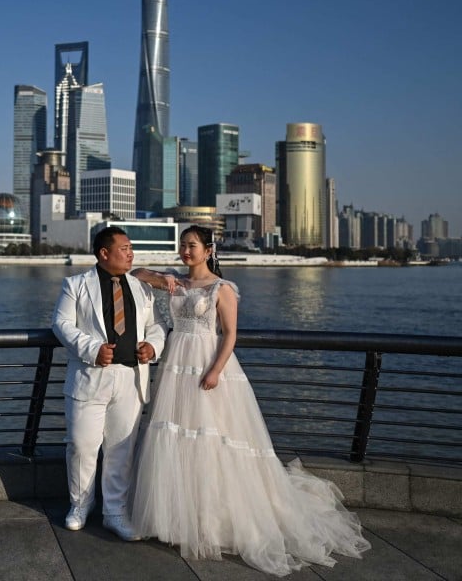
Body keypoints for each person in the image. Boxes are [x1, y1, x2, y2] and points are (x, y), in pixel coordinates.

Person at [130, 225, 371, 576]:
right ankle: (176, 517)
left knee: (211, 438)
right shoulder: (176, 282)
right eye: (183, 245)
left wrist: (215, 370)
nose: (186, 251)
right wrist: (164, 275)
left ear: (209, 250)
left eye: (193, 246)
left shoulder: (222, 288)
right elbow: (136, 273)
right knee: (174, 435)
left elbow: (230, 335)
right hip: (175, 367)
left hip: (206, 364)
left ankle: (211, 520)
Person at [51, 226, 167, 541]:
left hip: (131, 378)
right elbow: (60, 324)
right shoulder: (75, 285)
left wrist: (153, 346)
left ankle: (114, 512)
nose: (131, 254)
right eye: (125, 248)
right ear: (104, 253)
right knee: (81, 444)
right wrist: (91, 349)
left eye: (131, 248)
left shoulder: (142, 288)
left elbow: (157, 324)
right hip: (90, 376)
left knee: (121, 450)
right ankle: (80, 505)